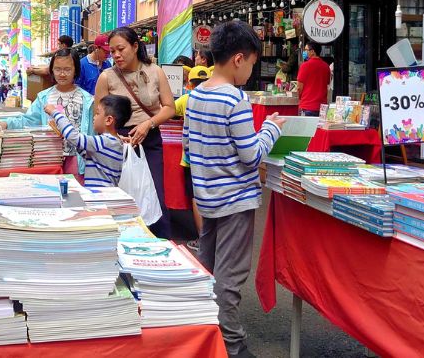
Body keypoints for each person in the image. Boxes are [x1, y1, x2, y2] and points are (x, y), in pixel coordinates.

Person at [183, 20, 284, 358]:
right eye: (253, 64)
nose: (251, 73)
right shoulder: (235, 100)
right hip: (236, 201)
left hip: (208, 198)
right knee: (229, 277)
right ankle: (233, 345)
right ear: (239, 59)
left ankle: (203, 334)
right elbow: (251, 155)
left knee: (206, 268)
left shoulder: (195, 96)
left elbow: (188, 147)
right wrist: (270, 128)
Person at [94, 27, 176, 238]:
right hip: (118, 144)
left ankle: (159, 245)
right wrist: (114, 136)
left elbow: (169, 107)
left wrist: (148, 124)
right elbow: (99, 117)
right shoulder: (106, 77)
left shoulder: (155, 71)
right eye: (112, 51)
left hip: (150, 140)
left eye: (120, 49)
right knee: (122, 196)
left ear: (135, 46)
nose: (116, 55)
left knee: (154, 193)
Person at [0, 49, 94, 180]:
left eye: (67, 69)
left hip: (77, 160)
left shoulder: (87, 99)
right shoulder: (44, 97)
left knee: (75, 193)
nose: (62, 74)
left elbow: (93, 132)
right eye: (57, 69)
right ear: (51, 71)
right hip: (49, 156)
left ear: (76, 70)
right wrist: (6, 123)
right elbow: (29, 120)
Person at [45, 94, 131, 188]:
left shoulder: (104, 142)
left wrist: (55, 113)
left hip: (101, 196)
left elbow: (74, 137)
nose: (94, 117)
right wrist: (67, 137)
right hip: (107, 194)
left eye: (98, 113)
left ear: (109, 120)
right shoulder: (115, 142)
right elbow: (86, 153)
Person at [173, 65, 211, 251]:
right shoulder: (216, 98)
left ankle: (203, 238)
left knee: (196, 197)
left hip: (190, 158)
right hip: (212, 157)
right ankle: (213, 237)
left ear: (190, 83)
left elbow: (169, 111)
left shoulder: (187, 98)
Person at [297, 41, 331, 116]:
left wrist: (300, 97)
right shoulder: (326, 66)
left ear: (312, 51)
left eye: (306, 50)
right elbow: (327, 85)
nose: (304, 52)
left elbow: (299, 87)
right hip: (322, 107)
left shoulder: (305, 66)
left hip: (307, 106)